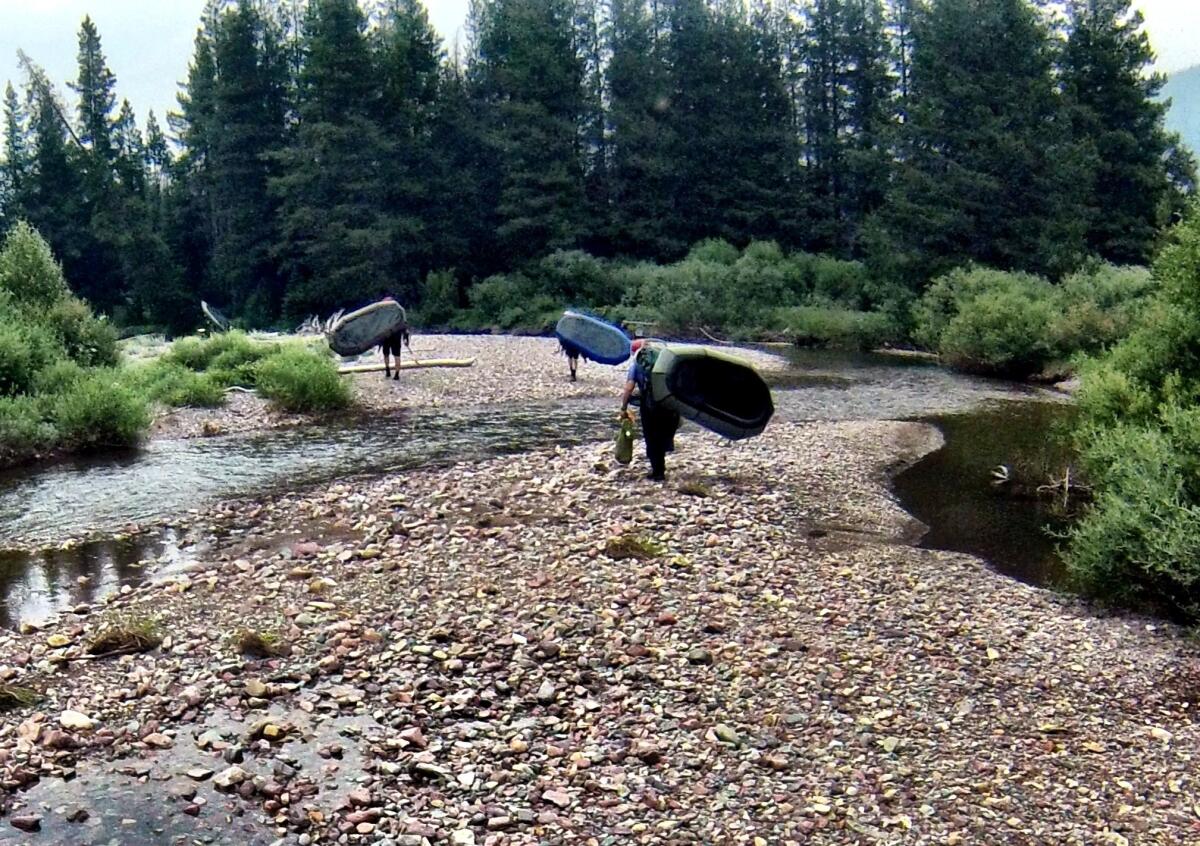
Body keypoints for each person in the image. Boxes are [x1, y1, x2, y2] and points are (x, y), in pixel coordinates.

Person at [620, 340, 681, 481]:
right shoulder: (665, 362)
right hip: (669, 404)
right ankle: (661, 464)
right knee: (663, 435)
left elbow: (629, 388)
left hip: (650, 408)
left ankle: (658, 471)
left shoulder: (637, 365)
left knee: (651, 437)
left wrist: (623, 407)